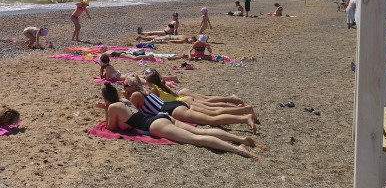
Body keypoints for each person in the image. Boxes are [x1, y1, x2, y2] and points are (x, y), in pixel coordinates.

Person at [94, 83, 264, 159]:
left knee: (196, 139)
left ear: (105, 98)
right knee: (201, 131)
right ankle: (240, 139)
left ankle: (238, 149)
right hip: (164, 117)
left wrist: (105, 110)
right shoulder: (125, 101)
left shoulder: (113, 107)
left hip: (155, 125)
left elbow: (111, 128)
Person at [122, 75, 257, 134]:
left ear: (132, 86)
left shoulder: (135, 96)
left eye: (125, 86)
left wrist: (125, 98)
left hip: (173, 111)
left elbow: (133, 113)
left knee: (211, 119)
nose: (124, 88)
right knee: (212, 112)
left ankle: (244, 118)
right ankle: (244, 110)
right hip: (174, 105)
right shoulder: (145, 91)